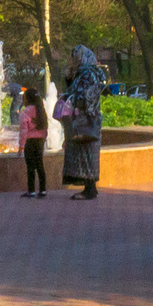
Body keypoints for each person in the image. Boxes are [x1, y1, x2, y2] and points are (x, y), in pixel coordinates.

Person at [57, 45, 105, 201]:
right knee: (85, 153)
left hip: (86, 121)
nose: (72, 59)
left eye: (75, 56)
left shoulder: (87, 74)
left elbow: (86, 96)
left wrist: (71, 100)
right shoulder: (83, 73)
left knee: (87, 153)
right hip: (85, 120)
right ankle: (89, 187)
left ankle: (90, 190)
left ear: (81, 57)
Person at [15, 85, 47, 198]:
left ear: (27, 99)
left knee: (30, 167)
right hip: (39, 141)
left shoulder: (26, 112)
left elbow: (23, 130)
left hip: (30, 142)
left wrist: (21, 146)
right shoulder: (41, 111)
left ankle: (31, 190)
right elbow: (45, 128)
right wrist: (43, 139)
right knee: (40, 165)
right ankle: (43, 190)